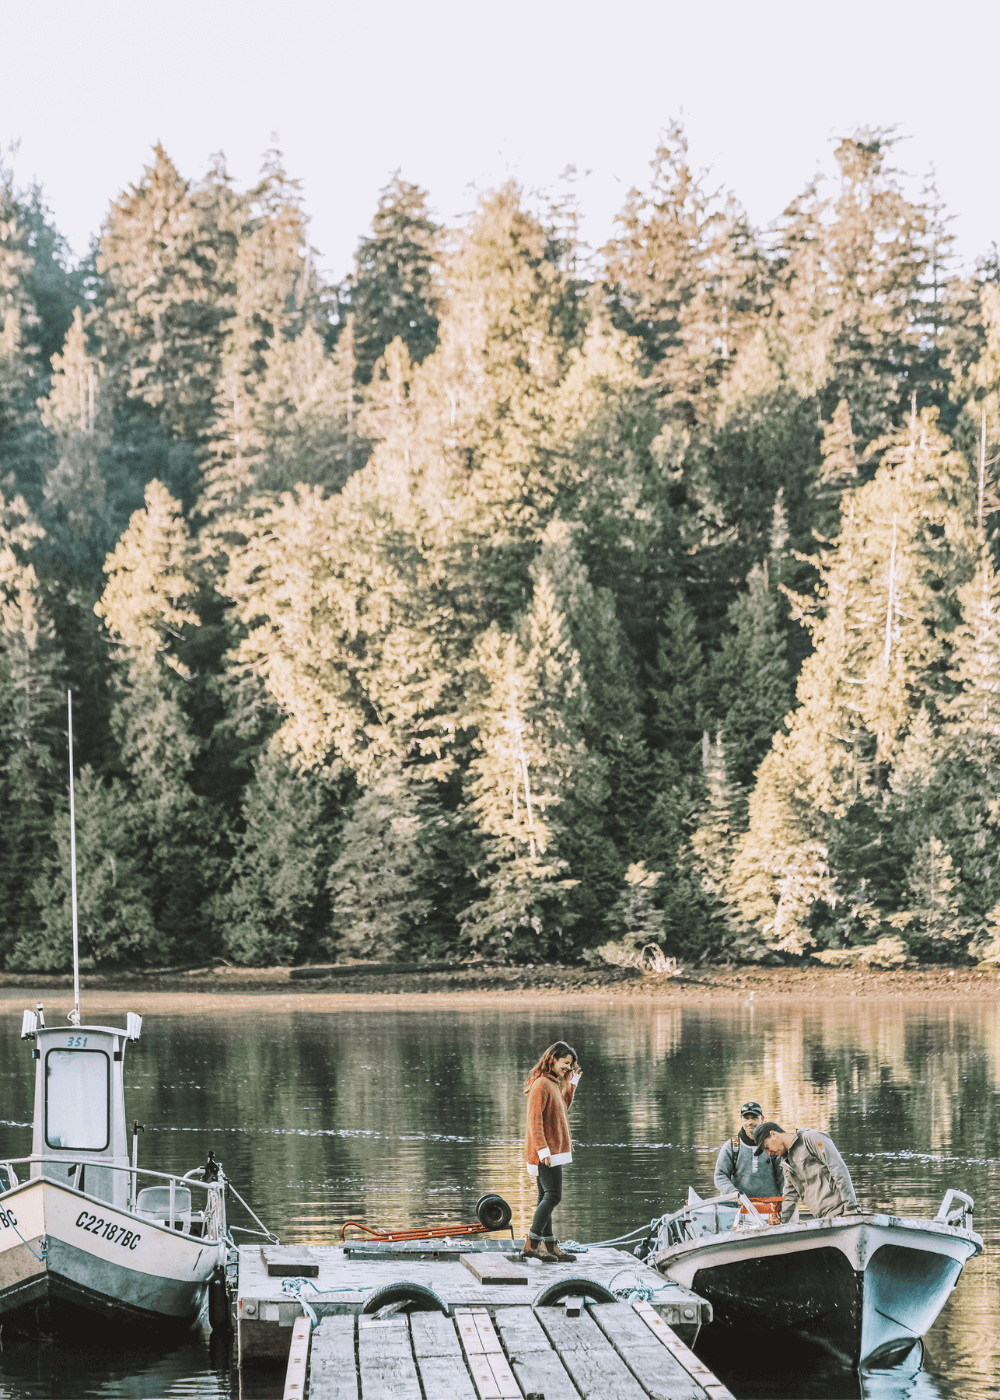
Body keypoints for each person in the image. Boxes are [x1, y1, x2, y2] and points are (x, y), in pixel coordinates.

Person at [523, 1040, 582, 1263]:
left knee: (544, 1196)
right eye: (565, 1063)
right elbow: (534, 1121)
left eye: (570, 1064)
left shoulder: (553, 1083)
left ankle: (548, 1245)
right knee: (553, 1195)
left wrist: (573, 1082)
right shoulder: (541, 1085)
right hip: (545, 1151)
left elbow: (562, 1106)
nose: (567, 1067)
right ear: (553, 1058)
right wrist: (542, 1149)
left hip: (550, 1150)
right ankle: (532, 1243)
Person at [753, 1121, 859, 1225]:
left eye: (766, 1147)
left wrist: (851, 1207)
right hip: (823, 1220)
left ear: (773, 1134)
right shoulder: (786, 1163)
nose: (769, 1153)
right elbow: (790, 1196)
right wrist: (778, 1224)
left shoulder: (811, 1138)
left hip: (842, 1213)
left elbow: (839, 1169)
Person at [713, 1100, 784, 1202]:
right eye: (746, 1118)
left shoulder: (774, 1145)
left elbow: (784, 1178)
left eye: (754, 1118)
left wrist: (786, 1201)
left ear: (762, 1119)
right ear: (741, 1119)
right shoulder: (732, 1146)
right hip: (737, 1207)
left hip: (770, 1207)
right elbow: (720, 1176)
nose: (750, 1122)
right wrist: (734, 1193)